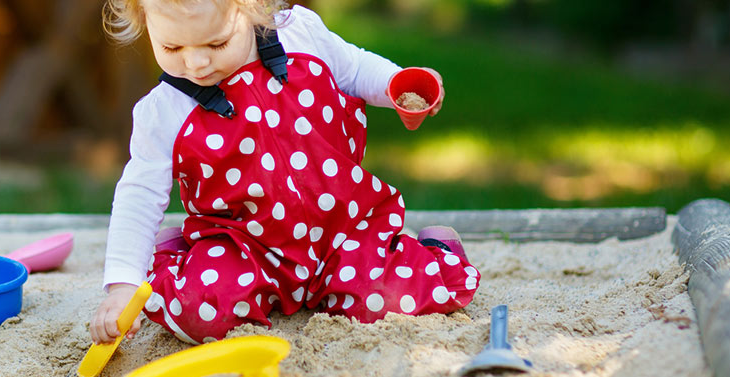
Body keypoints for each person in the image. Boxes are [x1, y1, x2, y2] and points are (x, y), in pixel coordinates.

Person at [89, 0, 480, 345]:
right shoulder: (163, 112)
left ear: (254, 7)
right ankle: (175, 256)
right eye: (171, 47)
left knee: (393, 298)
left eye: (216, 43)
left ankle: (437, 251)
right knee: (199, 313)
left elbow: (355, 68)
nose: (195, 63)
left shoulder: (300, 36)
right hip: (245, 246)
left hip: (341, 231)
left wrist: (395, 83)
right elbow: (139, 195)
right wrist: (123, 284)